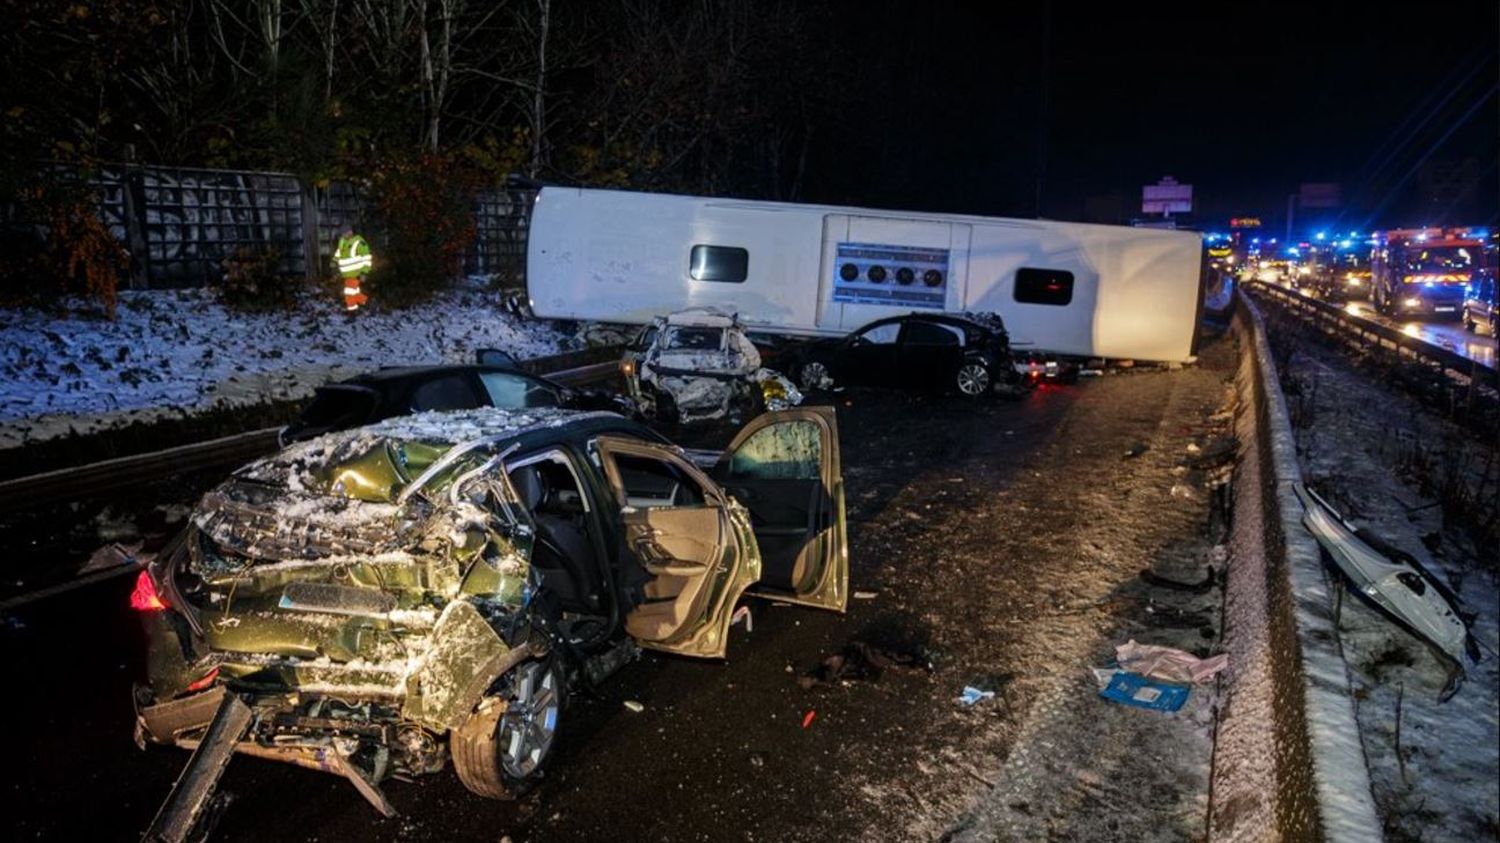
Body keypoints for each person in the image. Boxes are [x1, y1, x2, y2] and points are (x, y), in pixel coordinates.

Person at [334, 228, 372, 311]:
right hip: (347, 274)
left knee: (349, 292)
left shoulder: (359, 242)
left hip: (355, 273)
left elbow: (367, 258)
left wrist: (364, 272)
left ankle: (352, 310)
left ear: (350, 232)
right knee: (354, 292)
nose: (343, 235)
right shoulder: (342, 241)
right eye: (342, 234)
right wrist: (334, 261)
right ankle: (366, 302)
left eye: (344, 233)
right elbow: (339, 252)